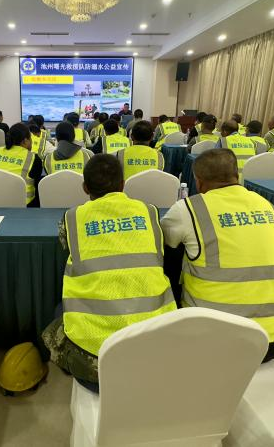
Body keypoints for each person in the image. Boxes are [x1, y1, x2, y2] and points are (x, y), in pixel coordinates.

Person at [42, 154, 176, 392]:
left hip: (94, 367)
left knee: (59, 311)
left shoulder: (72, 218)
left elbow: (66, 245)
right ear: (123, 184)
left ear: (85, 188)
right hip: (156, 354)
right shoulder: (150, 212)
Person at [161, 149, 274, 361]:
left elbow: (166, 243)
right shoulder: (265, 204)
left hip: (214, 337)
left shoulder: (189, 208)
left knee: (176, 248)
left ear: (199, 182)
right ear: (237, 175)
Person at [0, 123, 43, 207]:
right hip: (24, 206)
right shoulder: (33, 158)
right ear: (25, 141)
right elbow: (37, 185)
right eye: (30, 139)